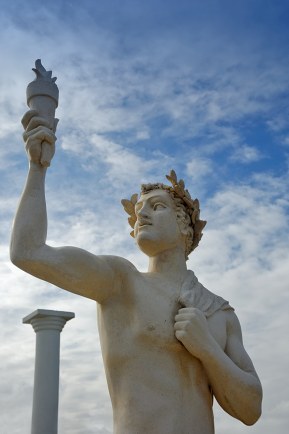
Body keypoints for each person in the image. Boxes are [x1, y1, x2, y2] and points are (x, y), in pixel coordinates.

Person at [10, 110, 262, 434]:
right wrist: (37, 168)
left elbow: (251, 409)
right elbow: (28, 252)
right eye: (139, 210)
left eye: (156, 206)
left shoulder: (219, 313)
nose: (142, 213)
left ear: (185, 226)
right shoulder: (119, 281)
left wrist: (208, 350)